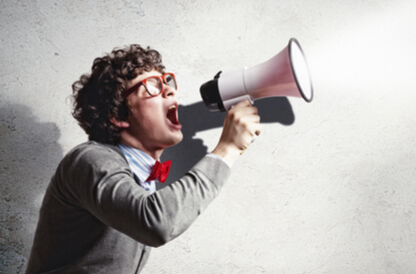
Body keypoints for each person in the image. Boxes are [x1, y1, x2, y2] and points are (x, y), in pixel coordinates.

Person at [26, 44, 261, 273]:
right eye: (152, 86)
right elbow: (156, 223)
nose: (170, 90)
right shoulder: (89, 159)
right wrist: (226, 149)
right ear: (117, 116)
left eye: (167, 82)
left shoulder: (138, 176)